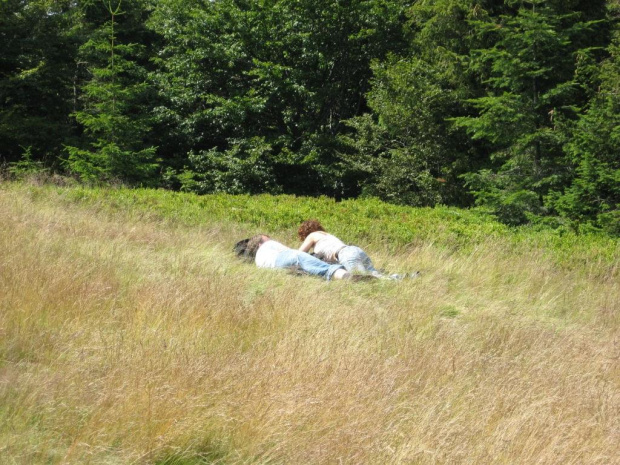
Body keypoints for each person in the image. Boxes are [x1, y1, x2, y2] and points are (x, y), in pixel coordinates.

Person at [297, 219, 416, 280]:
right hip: (354, 250)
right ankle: (404, 277)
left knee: (365, 280)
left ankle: (400, 279)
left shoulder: (312, 236)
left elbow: (299, 254)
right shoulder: (326, 235)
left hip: (346, 255)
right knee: (373, 275)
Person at [234, 234, 356, 281]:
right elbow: (292, 253)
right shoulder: (268, 245)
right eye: (267, 237)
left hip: (277, 268)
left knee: (310, 269)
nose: (271, 238)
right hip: (282, 259)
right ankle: (346, 276)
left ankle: (342, 276)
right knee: (311, 262)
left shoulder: (258, 261)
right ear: (260, 243)